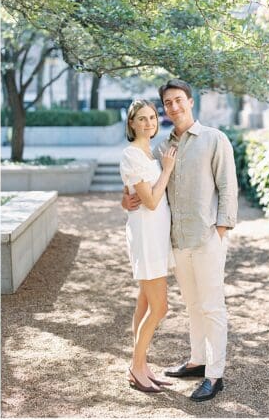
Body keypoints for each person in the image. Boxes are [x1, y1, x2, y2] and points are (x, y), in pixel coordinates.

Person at [122, 79, 238, 402]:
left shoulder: (215, 139)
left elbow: (228, 187)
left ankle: (214, 376)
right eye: (167, 103)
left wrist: (221, 231)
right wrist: (127, 201)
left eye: (178, 100)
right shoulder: (161, 148)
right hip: (176, 242)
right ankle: (197, 360)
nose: (173, 107)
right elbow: (143, 187)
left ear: (190, 102)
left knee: (213, 306)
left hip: (206, 238)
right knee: (192, 305)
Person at [119, 99, 178, 393]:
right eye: (141, 119)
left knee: (145, 302)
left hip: (155, 234)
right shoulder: (132, 155)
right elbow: (152, 202)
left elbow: (129, 194)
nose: (148, 123)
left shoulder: (148, 153)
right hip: (146, 235)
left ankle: (141, 365)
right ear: (131, 123)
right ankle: (135, 365)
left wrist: (124, 199)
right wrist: (167, 169)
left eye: (152, 118)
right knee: (160, 307)